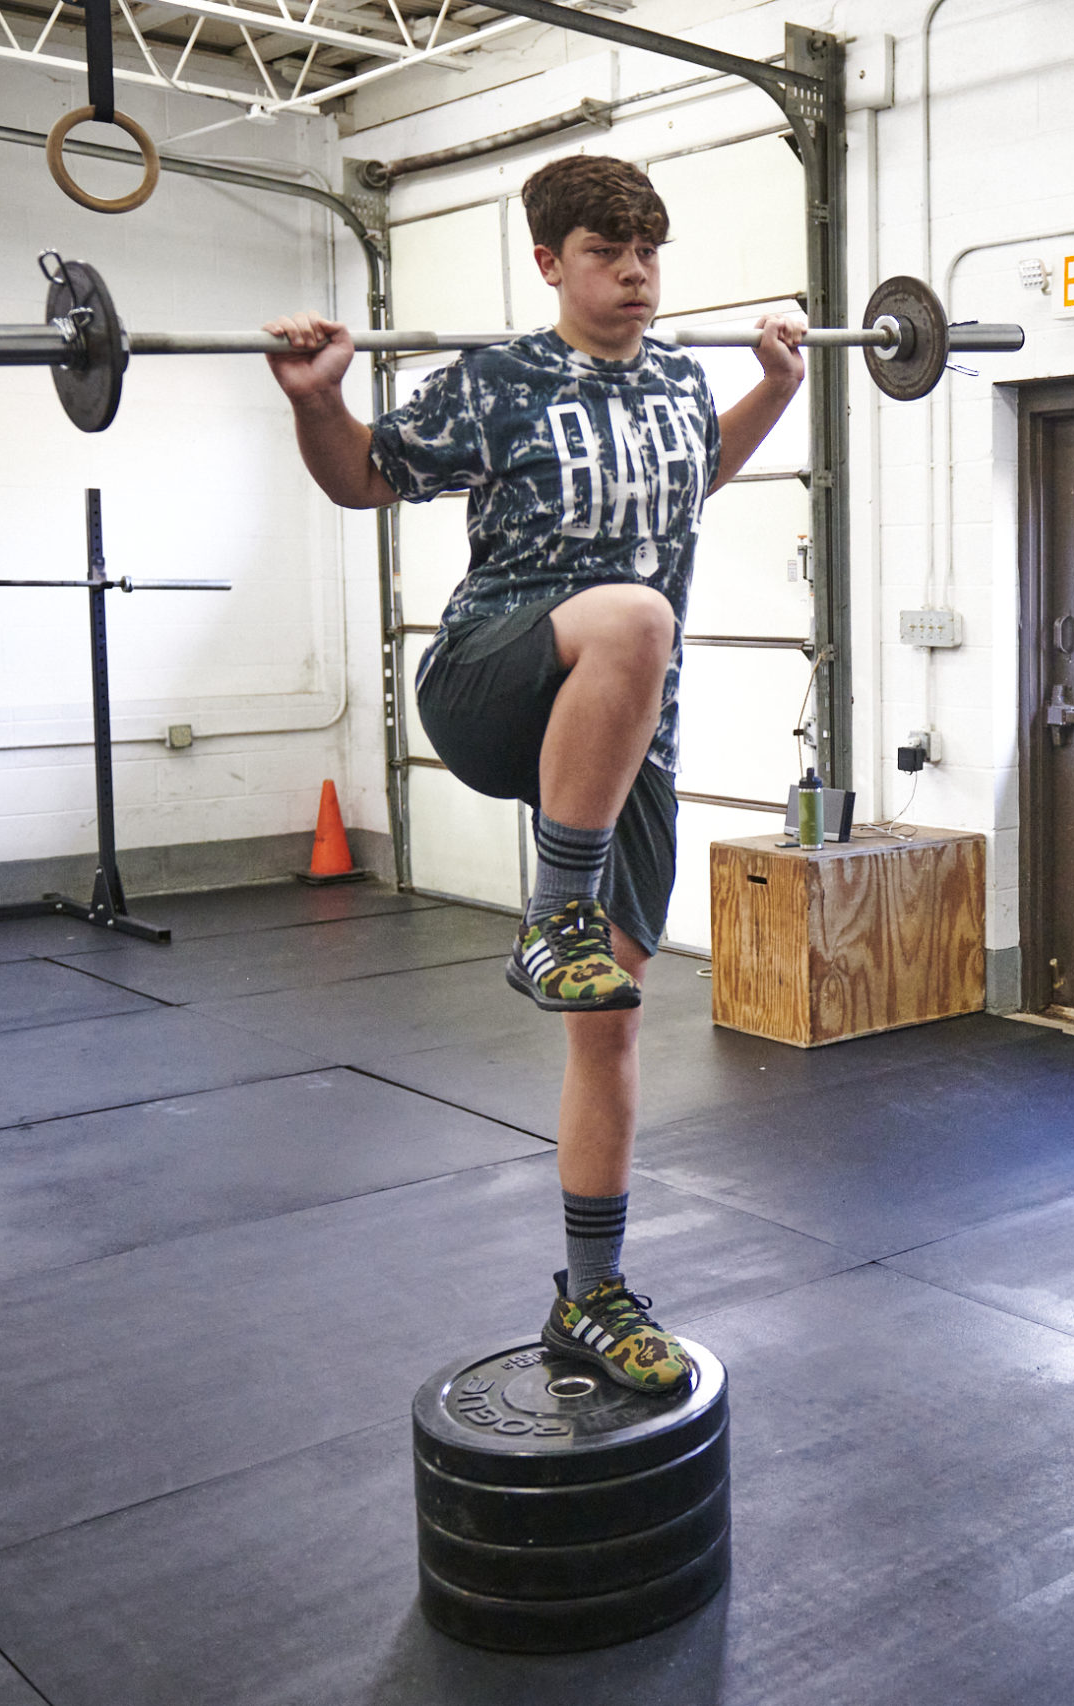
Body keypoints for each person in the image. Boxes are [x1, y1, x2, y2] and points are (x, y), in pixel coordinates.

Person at [263, 155, 806, 1395]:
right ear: (550, 262)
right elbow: (361, 476)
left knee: (608, 1018)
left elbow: (692, 477)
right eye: (607, 254)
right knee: (632, 616)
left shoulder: (676, 377)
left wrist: (772, 390)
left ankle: (591, 1292)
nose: (635, 275)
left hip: (626, 741)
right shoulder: (494, 384)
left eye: (649, 254)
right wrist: (312, 399)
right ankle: (550, 910)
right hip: (493, 676)